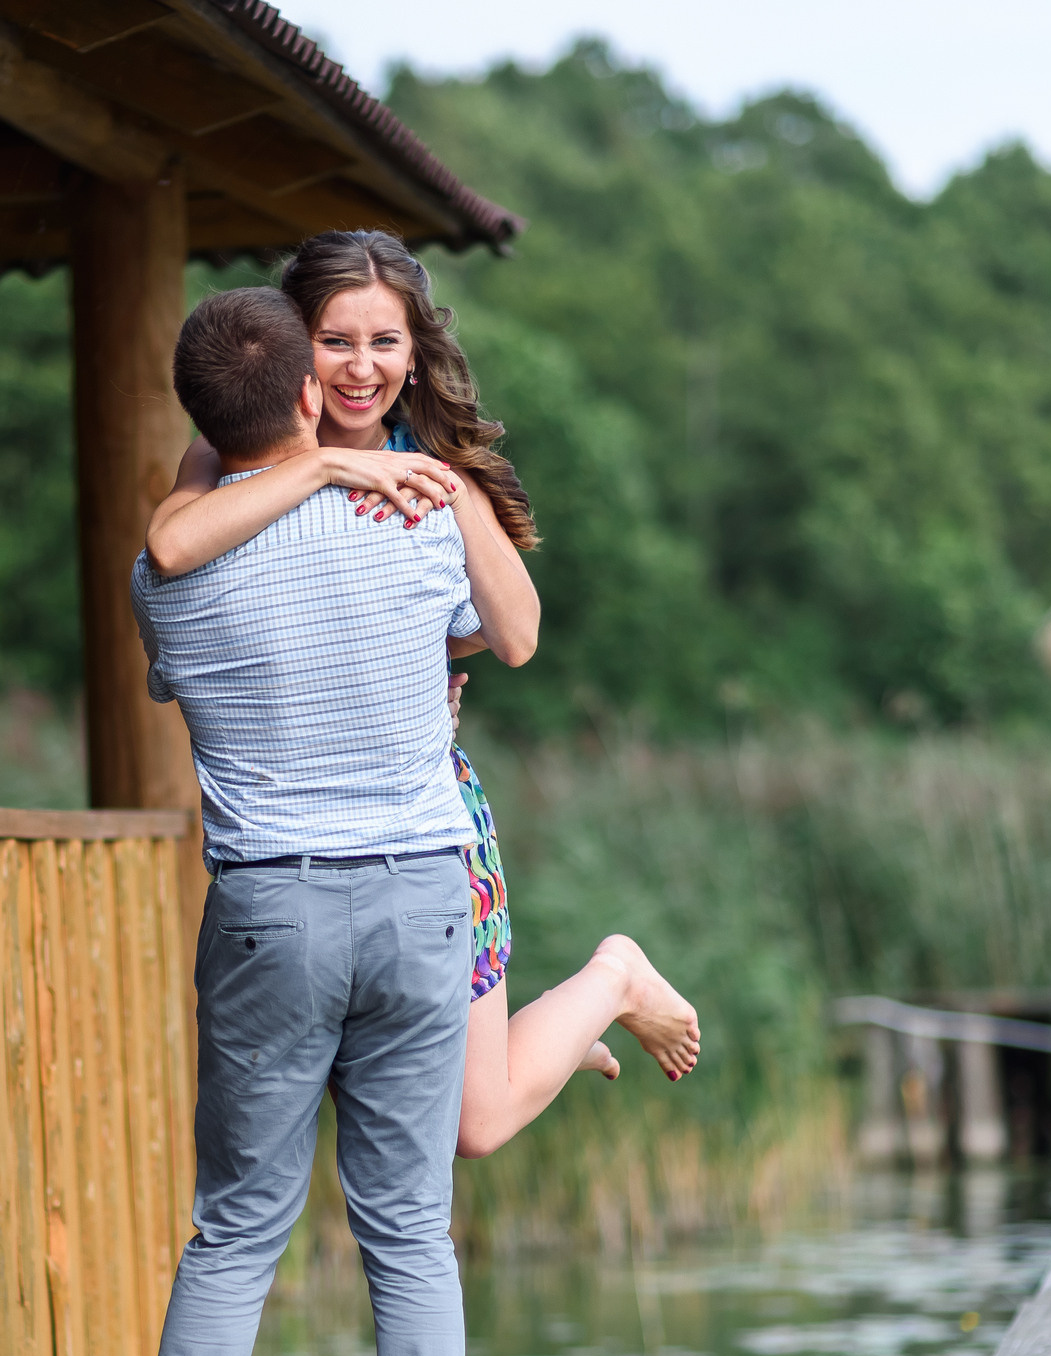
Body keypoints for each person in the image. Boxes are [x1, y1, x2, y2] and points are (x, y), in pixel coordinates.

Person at [146, 230, 701, 1163]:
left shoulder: (434, 468)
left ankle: (612, 977)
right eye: (336, 341)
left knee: (474, 1128)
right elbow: (170, 545)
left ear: (415, 350)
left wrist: (445, 502)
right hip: (300, 859)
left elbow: (517, 635)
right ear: (294, 348)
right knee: (428, 1116)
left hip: (424, 830)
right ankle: (552, 1043)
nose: (362, 370)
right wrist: (324, 466)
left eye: (386, 342)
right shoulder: (232, 446)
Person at [133, 286, 486, 1356]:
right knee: (408, 1219)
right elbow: (494, 639)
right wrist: (359, 466)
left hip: (268, 903)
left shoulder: (162, 573)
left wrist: (272, 454)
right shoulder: (410, 527)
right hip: (415, 893)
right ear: (307, 393)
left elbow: (178, 531)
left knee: (235, 1220)